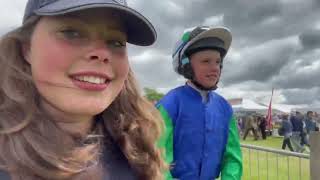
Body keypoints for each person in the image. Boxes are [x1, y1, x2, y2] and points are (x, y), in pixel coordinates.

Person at [0, 0, 170, 180]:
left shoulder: (139, 143)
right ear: (27, 49)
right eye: (72, 32)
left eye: (116, 42)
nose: (102, 53)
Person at [156, 26, 242, 180]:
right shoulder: (169, 105)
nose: (214, 68)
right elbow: (158, 159)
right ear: (186, 66)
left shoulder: (225, 108)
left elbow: (233, 158)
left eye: (217, 62)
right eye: (206, 61)